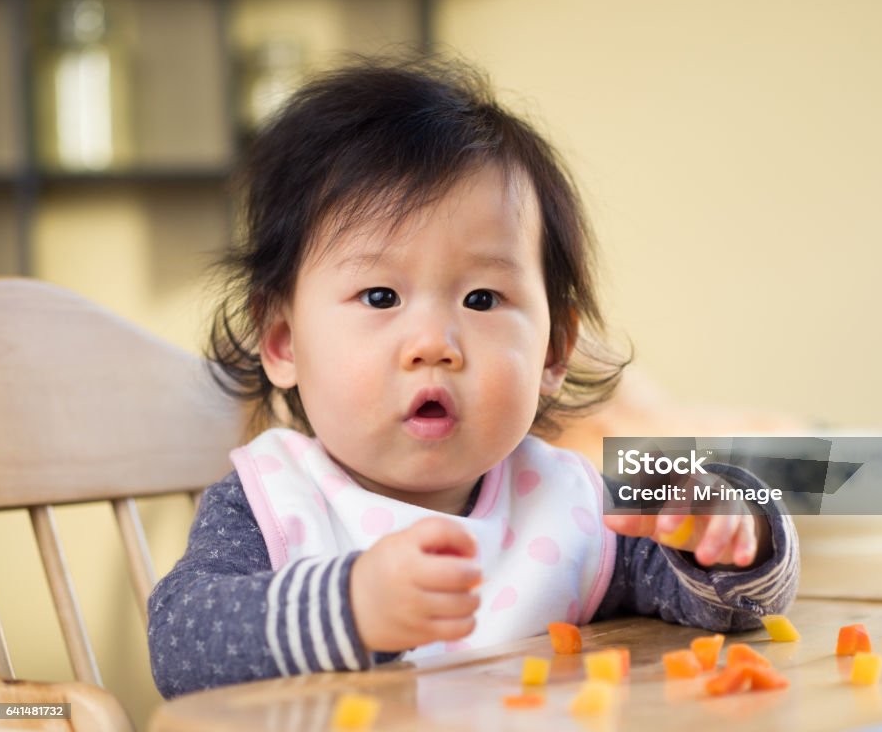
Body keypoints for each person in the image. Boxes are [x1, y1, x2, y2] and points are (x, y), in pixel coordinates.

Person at [147, 56, 799, 698]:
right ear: (283, 341)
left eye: (482, 300)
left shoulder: (566, 503)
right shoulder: (273, 503)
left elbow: (730, 610)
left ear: (553, 351)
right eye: (380, 297)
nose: (434, 344)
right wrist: (352, 607)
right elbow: (179, 644)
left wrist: (729, 527)